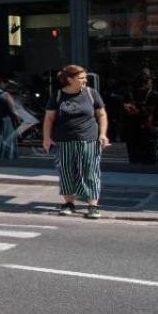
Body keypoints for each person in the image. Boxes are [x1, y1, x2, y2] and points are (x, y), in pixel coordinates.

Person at [42, 64, 109, 218]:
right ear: (69, 79)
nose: (85, 80)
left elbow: (102, 114)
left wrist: (102, 134)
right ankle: (68, 203)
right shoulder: (58, 96)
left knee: (90, 172)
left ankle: (93, 206)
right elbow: (49, 118)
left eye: (85, 77)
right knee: (66, 172)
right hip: (64, 141)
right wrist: (46, 137)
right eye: (81, 78)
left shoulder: (91, 94)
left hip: (89, 139)